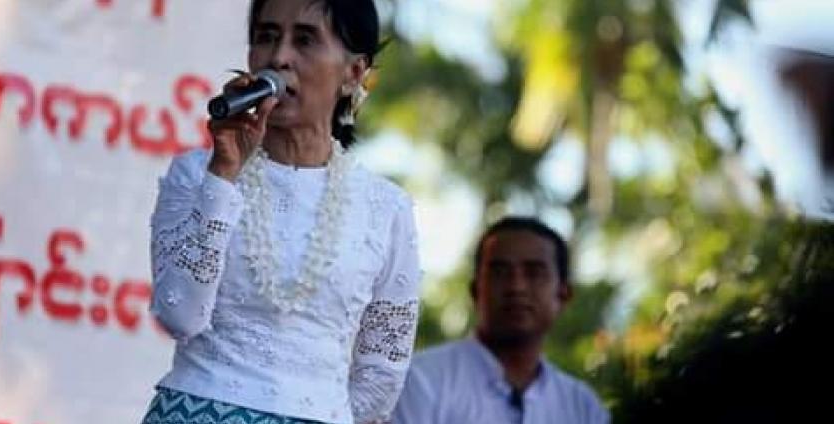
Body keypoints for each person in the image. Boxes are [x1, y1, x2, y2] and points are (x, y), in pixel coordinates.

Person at [140, 1, 422, 423]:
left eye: (304, 40)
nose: (279, 57)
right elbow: (179, 315)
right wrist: (223, 174)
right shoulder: (197, 173)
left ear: (354, 73)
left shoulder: (386, 208)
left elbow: (381, 378)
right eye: (266, 37)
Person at [392, 217, 608, 424]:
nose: (517, 287)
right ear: (476, 291)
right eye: (500, 272)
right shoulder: (420, 381)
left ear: (563, 295)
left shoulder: (582, 406)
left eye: (534, 272)